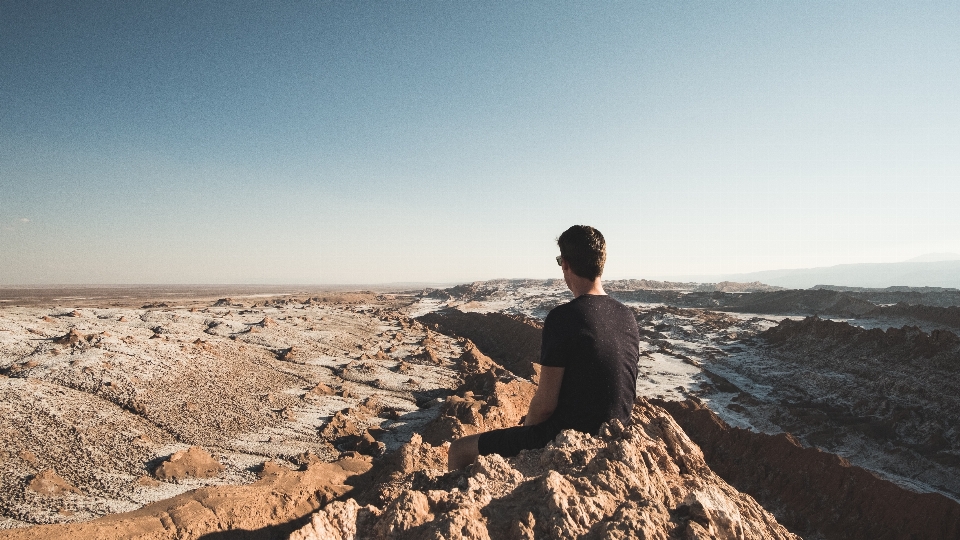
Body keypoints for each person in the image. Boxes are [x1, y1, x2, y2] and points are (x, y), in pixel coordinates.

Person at [447, 225, 640, 470]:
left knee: (458, 450)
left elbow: (546, 404)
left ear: (566, 264)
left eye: (561, 261)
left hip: (567, 439)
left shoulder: (564, 318)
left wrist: (526, 435)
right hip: (613, 435)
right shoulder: (627, 316)